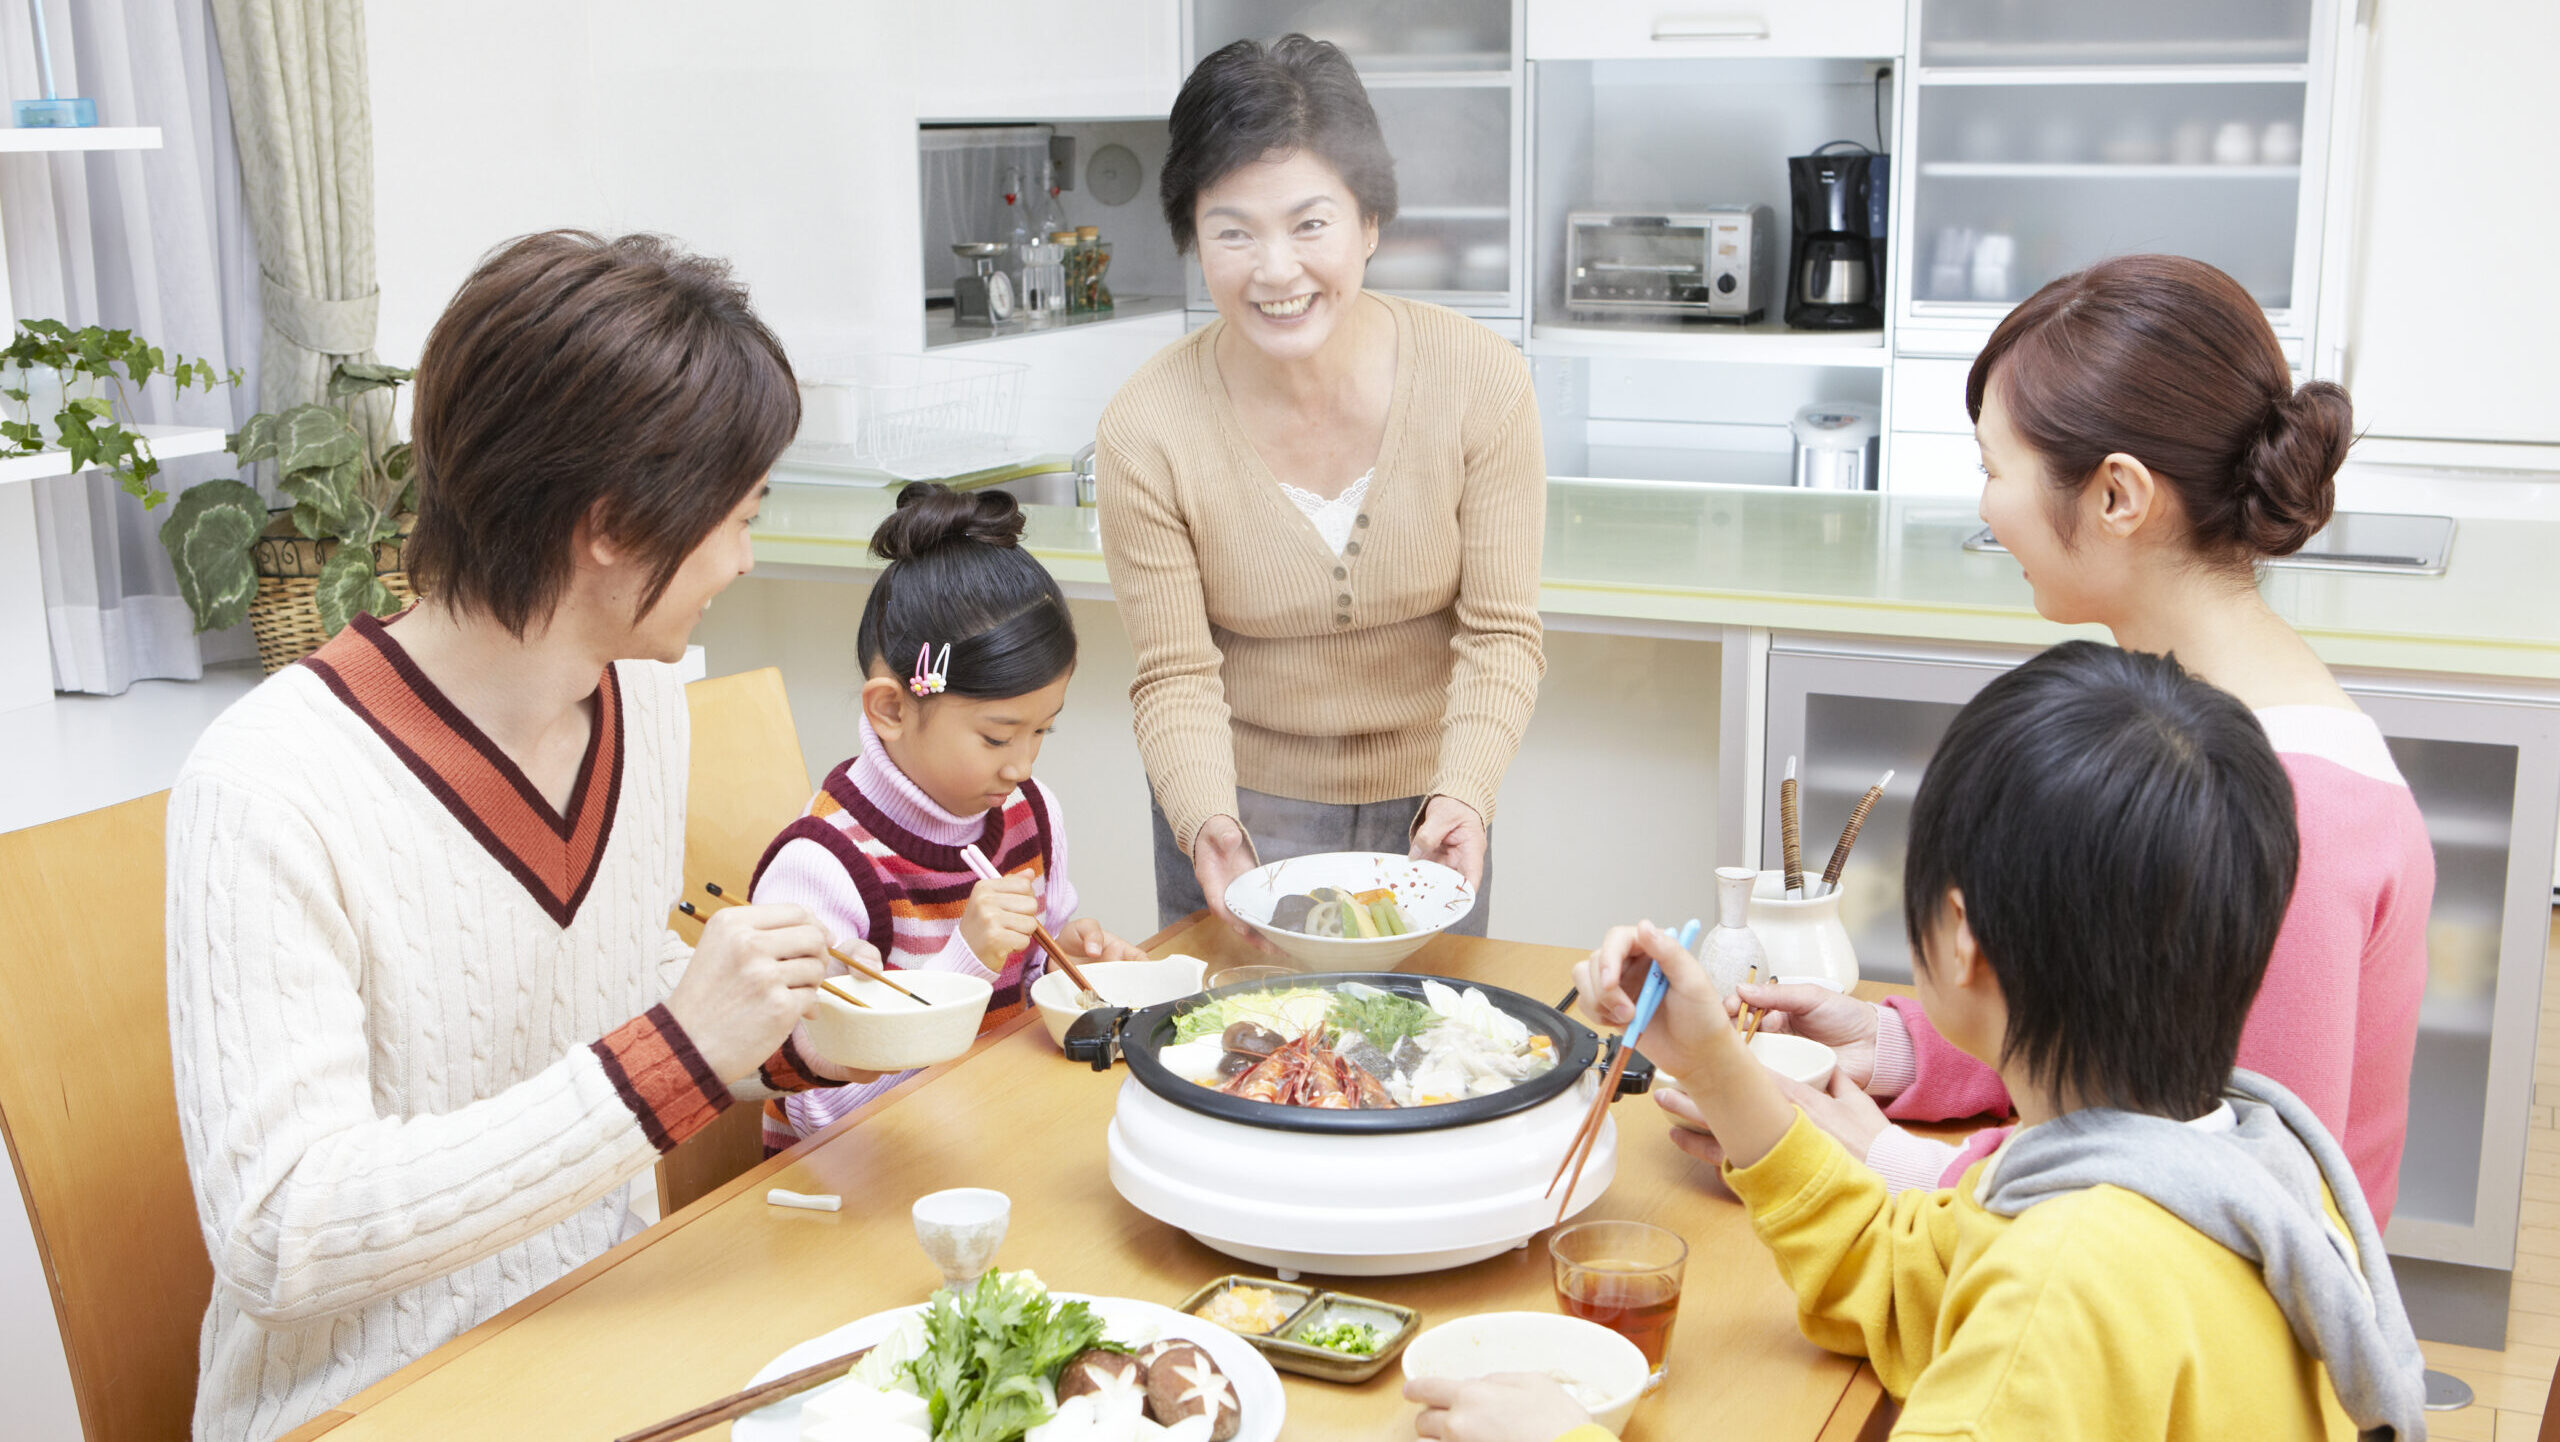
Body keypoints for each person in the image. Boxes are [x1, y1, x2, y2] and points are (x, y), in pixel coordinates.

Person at [165, 231, 878, 1441]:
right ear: (610, 523)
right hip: (370, 1404)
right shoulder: (268, 781)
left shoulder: (641, 699)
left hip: (611, 1341)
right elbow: (280, 1229)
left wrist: (789, 1026)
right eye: (735, 516)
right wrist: (676, 1054)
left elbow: (577, 997)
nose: (744, 559)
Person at [1418, 641, 2426, 1441]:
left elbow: (1993, 1299)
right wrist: (1717, 1066)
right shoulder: (2225, 1163)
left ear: (1959, 934)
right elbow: (1897, 1269)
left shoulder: (2063, 1283)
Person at [1735, 254, 2431, 1227]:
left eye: (1993, 468)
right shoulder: (2184, 727)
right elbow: (2137, 1049)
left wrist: (1895, 1160)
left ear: (2116, 496)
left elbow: (2228, 1196)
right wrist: (1903, 1050)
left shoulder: (2287, 806)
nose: (1985, 509)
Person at [1096, 34, 1546, 941]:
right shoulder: (1146, 426)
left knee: (1426, 1056)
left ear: (1370, 222)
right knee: (1239, 1061)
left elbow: (1500, 632)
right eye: (1233, 231)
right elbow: (1175, 671)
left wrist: (1464, 792)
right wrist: (1206, 818)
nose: (1275, 270)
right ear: (1193, 237)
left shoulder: (1479, 380)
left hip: (1432, 808)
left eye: (1310, 224)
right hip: (1239, 810)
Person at [750, 482, 1145, 1148]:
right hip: (852, 1186)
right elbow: (819, 1109)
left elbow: (1020, 991)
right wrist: (967, 960)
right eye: (996, 737)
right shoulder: (823, 869)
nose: (1021, 764)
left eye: (1044, 731)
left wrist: (1059, 966)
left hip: (989, 1134)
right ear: (892, 709)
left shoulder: (1028, 813)